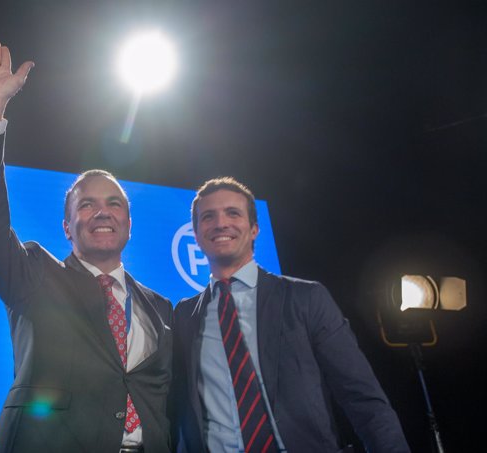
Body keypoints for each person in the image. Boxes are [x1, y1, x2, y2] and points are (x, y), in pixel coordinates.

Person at [0, 41, 173, 453]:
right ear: (67, 228)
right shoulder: (35, 275)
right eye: (86, 205)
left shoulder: (161, 309)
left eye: (113, 205)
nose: (102, 213)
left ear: (129, 224)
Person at [173, 177, 410, 452]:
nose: (220, 224)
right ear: (197, 232)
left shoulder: (306, 298)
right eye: (208, 217)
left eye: (233, 213)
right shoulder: (184, 315)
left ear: (254, 229)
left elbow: (363, 399)